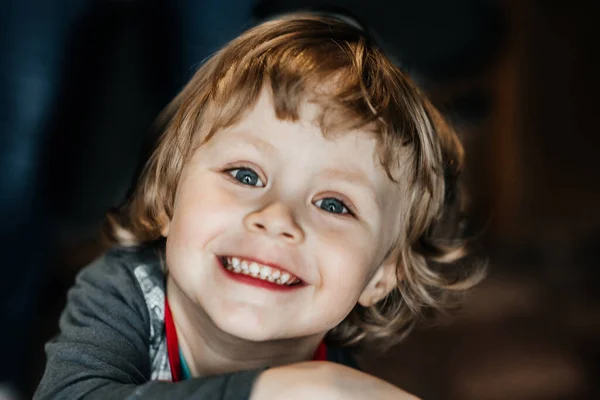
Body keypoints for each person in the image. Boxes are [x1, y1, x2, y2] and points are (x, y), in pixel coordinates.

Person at [35, 12, 483, 400]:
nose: (276, 218)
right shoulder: (125, 292)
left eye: (333, 204)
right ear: (169, 197)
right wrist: (292, 391)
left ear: (382, 274)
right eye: (245, 175)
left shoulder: (336, 376)